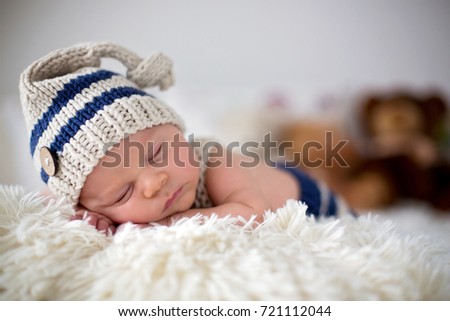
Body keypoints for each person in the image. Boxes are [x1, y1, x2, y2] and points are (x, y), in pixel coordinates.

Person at [20, 42, 350, 234]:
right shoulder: (94, 193)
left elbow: (254, 213)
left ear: (179, 132)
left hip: (311, 200)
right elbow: (52, 198)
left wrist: (162, 225)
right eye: (123, 193)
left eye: (158, 153)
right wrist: (88, 216)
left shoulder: (214, 161)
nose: (153, 183)